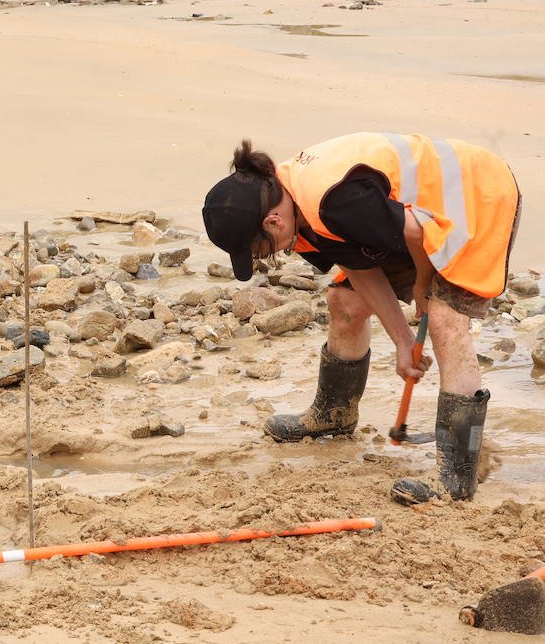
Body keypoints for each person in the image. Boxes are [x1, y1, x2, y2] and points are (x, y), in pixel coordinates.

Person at [203, 132, 521, 501]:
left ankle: (457, 476)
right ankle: (334, 414)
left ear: (273, 222)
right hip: (419, 216)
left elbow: (419, 233)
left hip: (476, 196)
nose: (264, 257)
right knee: (344, 301)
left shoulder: (334, 202)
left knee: (444, 318)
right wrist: (404, 343)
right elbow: (360, 268)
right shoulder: (296, 207)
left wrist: (422, 286)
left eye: (259, 248)